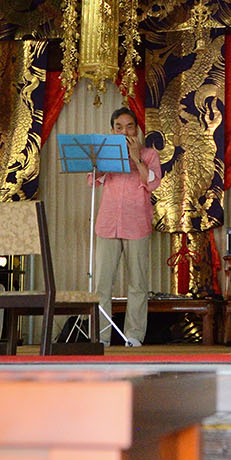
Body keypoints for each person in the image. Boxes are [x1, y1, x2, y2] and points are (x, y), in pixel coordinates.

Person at [93, 106, 160, 346]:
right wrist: (101, 160)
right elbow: (94, 180)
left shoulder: (149, 155)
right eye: (119, 127)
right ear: (112, 130)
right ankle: (101, 337)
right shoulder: (104, 154)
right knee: (102, 284)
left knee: (138, 284)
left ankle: (134, 335)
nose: (124, 131)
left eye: (129, 126)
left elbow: (151, 184)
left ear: (137, 129)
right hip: (107, 224)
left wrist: (135, 157)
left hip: (137, 224)